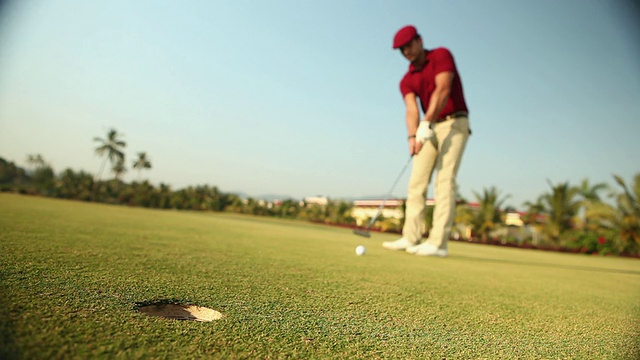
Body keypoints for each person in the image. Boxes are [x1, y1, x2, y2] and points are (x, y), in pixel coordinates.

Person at [382, 25, 470, 257]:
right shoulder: (407, 80)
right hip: (427, 128)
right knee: (416, 183)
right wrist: (412, 136)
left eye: (409, 45)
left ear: (419, 41)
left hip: (454, 123)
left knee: (444, 180)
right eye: (402, 49)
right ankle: (410, 238)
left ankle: (437, 243)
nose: (406, 51)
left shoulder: (441, 55)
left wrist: (427, 121)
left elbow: (443, 89)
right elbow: (411, 109)